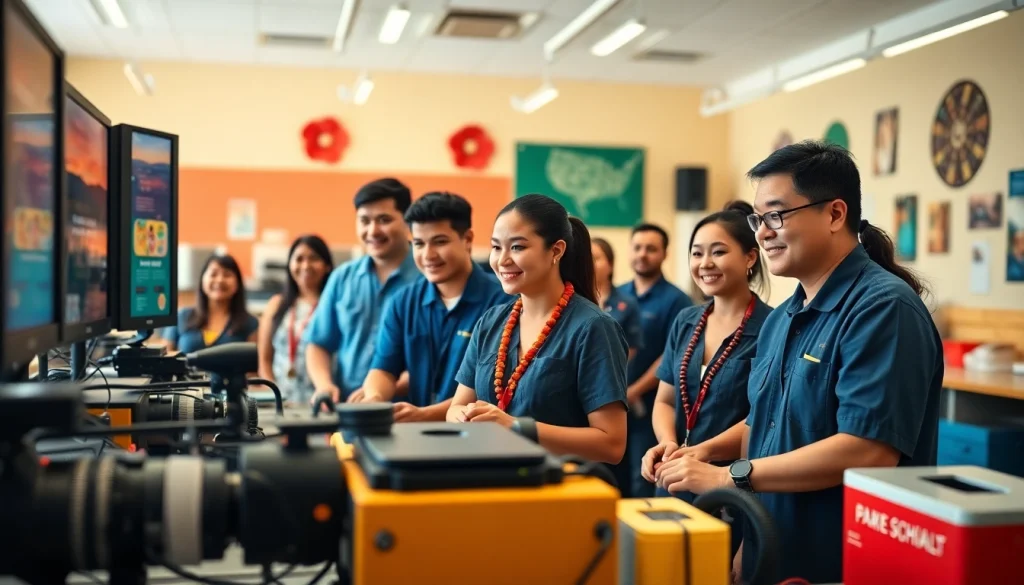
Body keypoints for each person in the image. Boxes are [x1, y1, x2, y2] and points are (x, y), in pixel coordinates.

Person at [653, 141, 943, 584]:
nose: (763, 232)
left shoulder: (883, 308)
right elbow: (764, 425)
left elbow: (868, 450)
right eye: (758, 219)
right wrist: (713, 464)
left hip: (841, 556)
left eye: (776, 215)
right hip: (774, 544)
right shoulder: (785, 317)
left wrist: (731, 477)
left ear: (834, 214)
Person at [446, 194, 628, 465]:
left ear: (556, 250)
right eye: (497, 248)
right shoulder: (491, 322)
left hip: (559, 491)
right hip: (489, 483)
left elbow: (611, 444)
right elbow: (455, 406)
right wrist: (465, 416)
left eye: (517, 247)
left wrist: (516, 427)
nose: (503, 260)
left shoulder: (593, 327)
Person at [644, 201, 772, 501]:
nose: (705, 263)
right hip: (674, 477)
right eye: (697, 253)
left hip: (732, 485)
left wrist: (704, 451)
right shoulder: (686, 321)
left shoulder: (772, 326)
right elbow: (665, 400)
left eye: (718, 252)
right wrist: (668, 443)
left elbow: (764, 416)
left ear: (749, 257)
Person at [359, 192, 510, 421]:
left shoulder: (503, 304)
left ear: (467, 239)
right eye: (418, 244)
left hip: (478, 438)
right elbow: (384, 369)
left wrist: (425, 415)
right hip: (416, 438)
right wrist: (374, 400)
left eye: (439, 242)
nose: (428, 255)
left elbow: (489, 389)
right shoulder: (403, 302)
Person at [304, 178, 420, 405]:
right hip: (347, 408)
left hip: (408, 410)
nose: (373, 231)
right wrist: (325, 385)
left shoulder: (428, 278)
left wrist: (380, 390)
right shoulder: (342, 278)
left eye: (384, 220)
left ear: (408, 222)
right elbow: (318, 343)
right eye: (364, 221)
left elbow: (435, 361)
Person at [616, 224, 693, 496]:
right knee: (615, 478)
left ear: (664, 254)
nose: (643, 254)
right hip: (615, 406)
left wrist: (634, 391)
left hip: (651, 407)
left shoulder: (678, 301)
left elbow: (672, 354)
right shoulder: (618, 295)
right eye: (637, 247)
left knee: (643, 479)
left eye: (651, 249)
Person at [257, 235, 334, 405]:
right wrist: (274, 396)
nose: (305, 265)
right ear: (290, 265)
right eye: (299, 259)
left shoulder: (334, 305)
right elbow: (265, 360)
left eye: (314, 258)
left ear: (327, 266)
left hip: (322, 401)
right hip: (281, 402)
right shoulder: (276, 305)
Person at [162, 254, 259, 354]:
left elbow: (252, 366)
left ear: (238, 283)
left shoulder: (250, 323)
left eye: (227, 275)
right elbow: (164, 359)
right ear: (202, 280)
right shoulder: (181, 316)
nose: (220, 280)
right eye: (213, 274)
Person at [592, 237, 643, 360]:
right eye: (586, 259)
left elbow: (632, 346)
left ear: (610, 265)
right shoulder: (574, 301)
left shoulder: (627, 303)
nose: (590, 263)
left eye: (596, 258)